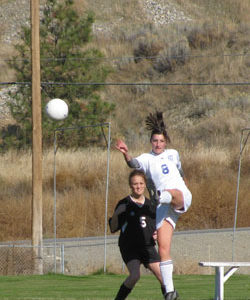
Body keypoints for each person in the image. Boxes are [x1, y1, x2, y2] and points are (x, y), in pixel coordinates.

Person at [115, 111, 192, 300]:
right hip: (162, 208)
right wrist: (126, 153)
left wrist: (184, 184)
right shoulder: (147, 159)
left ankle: (162, 195)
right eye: (155, 141)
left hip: (179, 196)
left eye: (161, 141)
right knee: (163, 248)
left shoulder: (173, 154)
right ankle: (170, 293)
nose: (158, 144)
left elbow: (180, 172)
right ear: (151, 141)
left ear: (166, 143)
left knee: (172, 194)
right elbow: (133, 163)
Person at [109, 169, 166, 300]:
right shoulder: (125, 203)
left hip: (147, 246)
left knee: (163, 276)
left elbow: (157, 225)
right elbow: (113, 228)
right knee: (135, 276)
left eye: (141, 183)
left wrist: (157, 233)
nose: (138, 186)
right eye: (135, 184)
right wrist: (117, 214)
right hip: (130, 247)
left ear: (145, 184)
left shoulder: (151, 205)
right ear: (130, 185)